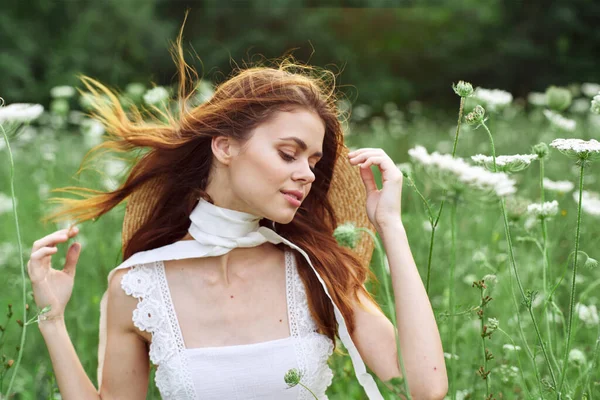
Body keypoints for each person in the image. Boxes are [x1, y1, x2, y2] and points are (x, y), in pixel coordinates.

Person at [26, 20, 447, 400]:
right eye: (288, 154)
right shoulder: (139, 284)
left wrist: (390, 225)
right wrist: (52, 320)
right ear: (225, 146)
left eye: (314, 163)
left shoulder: (317, 270)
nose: (307, 175)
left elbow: (424, 388)